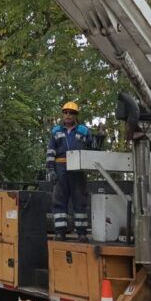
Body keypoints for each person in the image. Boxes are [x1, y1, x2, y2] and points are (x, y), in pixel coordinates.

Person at [46, 101, 92, 240]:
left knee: (79, 202)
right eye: (65, 113)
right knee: (59, 201)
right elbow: (50, 152)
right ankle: (60, 232)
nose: (68, 115)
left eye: (71, 113)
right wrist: (51, 170)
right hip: (60, 169)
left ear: (76, 116)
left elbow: (92, 149)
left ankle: (82, 233)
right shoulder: (56, 131)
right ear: (62, 115)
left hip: (78, 170)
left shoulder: (84, 131)